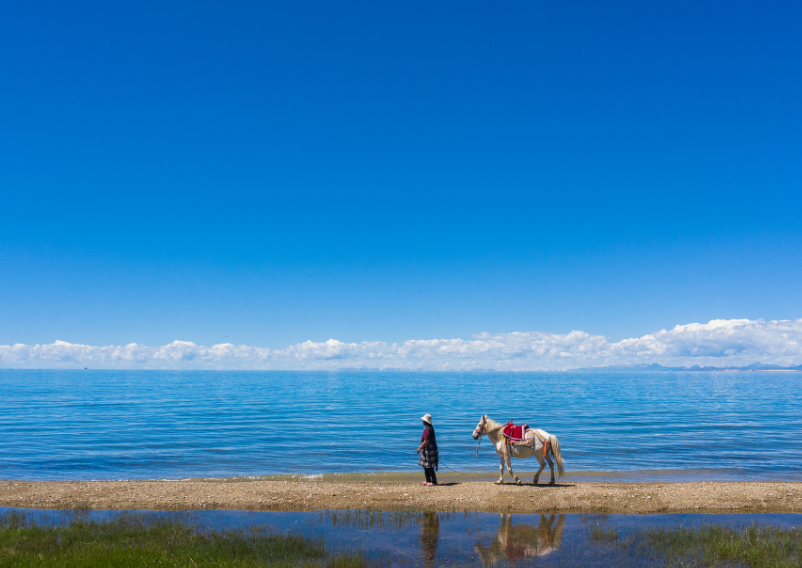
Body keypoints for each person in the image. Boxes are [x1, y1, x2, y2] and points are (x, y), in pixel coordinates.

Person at [417, 414, 438, 486]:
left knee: (429, 466)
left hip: (429, 450)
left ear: (426, 421)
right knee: (426, 466)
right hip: (429, 449)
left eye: (423, 420)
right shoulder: (430, 428)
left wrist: (420, 448)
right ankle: (428, 480)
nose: (422, 421)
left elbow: (426, 441)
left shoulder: (428, 430)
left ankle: (434, 481)